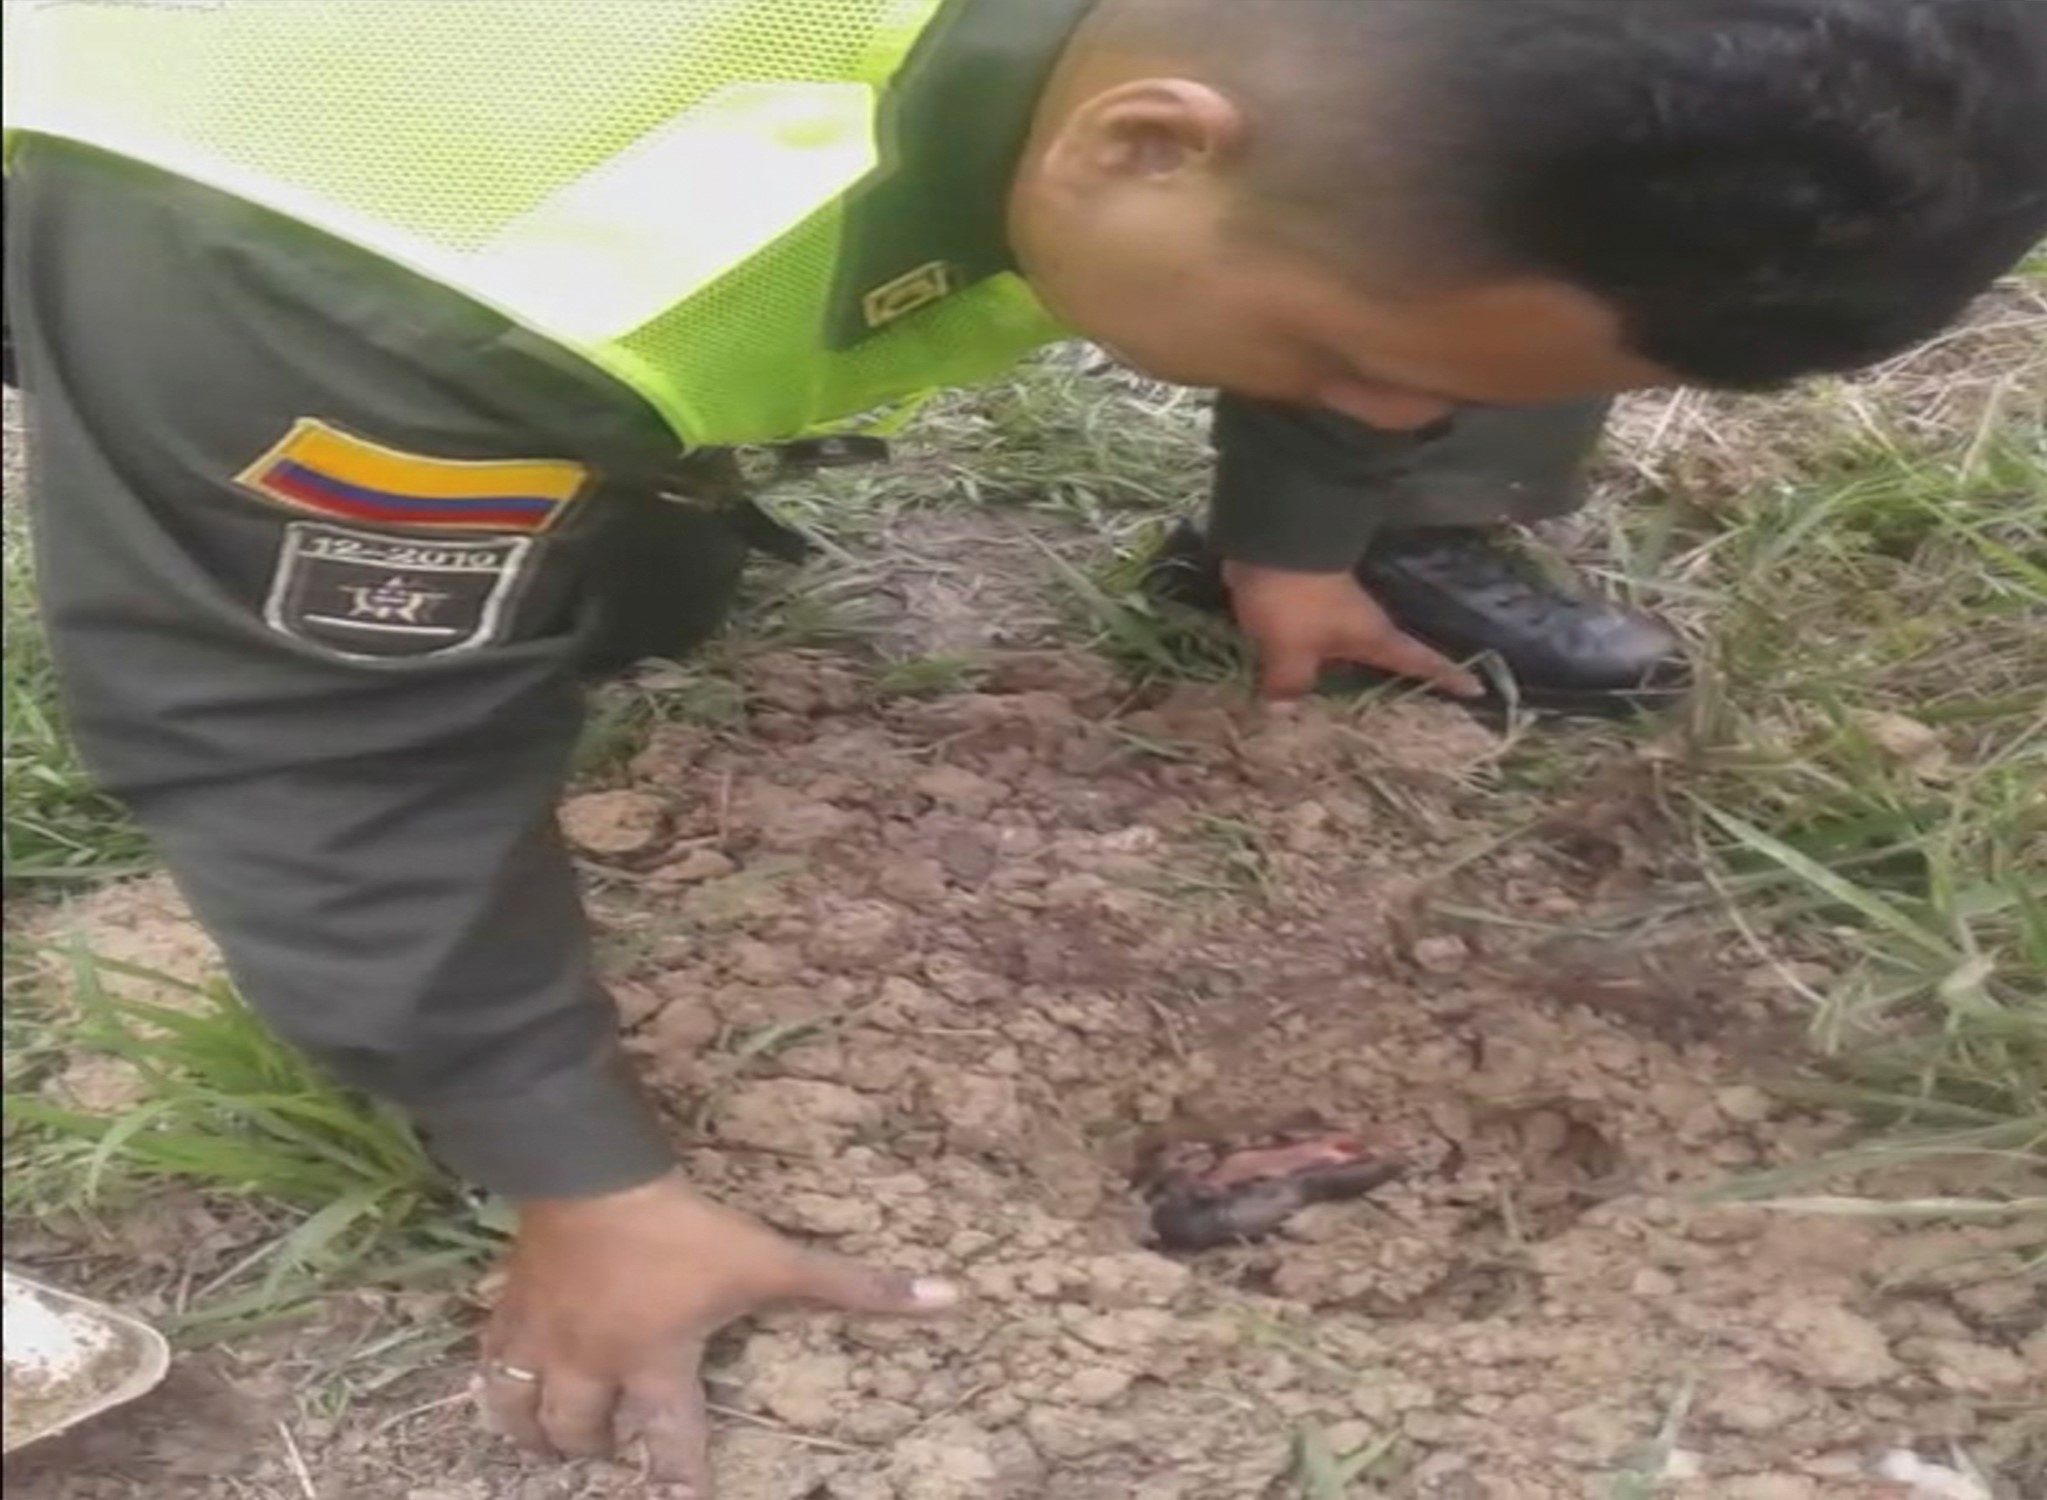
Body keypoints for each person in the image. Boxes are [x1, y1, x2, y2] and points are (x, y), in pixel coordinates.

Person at [5, 0, 2043, 1490]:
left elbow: (1492, 182)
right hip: (250, 162)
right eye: (1346, 368)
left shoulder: (1404, 88)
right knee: (543, 604)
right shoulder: (430, 269)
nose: (1383, 408)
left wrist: (1312, 514)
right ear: (1143, 145)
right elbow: (316, 737)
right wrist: (578, 1174)